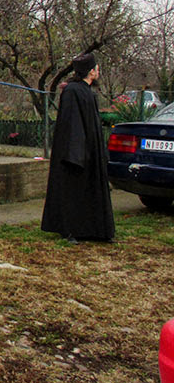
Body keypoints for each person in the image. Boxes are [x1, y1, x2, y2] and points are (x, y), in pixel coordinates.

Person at [41, 53, 114, 244]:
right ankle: (70, 229)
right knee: (73, 191)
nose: (98, 71)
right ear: (91, 71)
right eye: (96, 68)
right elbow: (71, 123)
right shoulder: (73, 91)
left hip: (90, 150)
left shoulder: (87, 91)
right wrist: (76, 153)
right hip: (76, 152)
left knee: (91, 189)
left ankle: (94, 230)